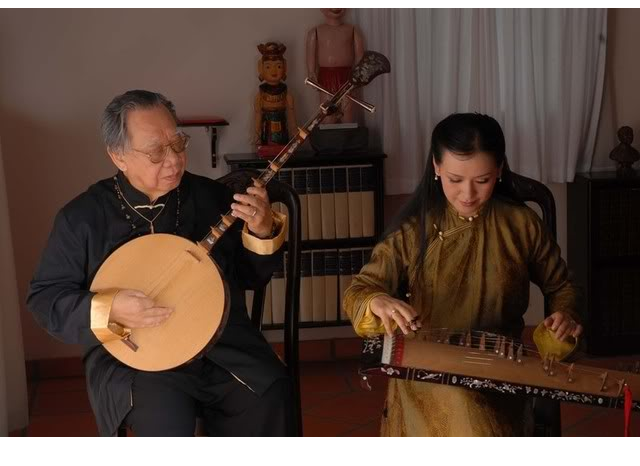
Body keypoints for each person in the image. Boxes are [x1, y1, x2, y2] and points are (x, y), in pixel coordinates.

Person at [27, 90, 291, 436]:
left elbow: (248, 277)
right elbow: (45, 300)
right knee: (163, 420)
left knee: (270, 394)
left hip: (221, 343)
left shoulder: (213, 199)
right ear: (118, 156)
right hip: (134, 358)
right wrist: (110, 307)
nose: (174, 159)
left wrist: (260, 230)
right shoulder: (83, 218)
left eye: (178, 143)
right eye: (155, 151)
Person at [343, 113, 583, 436]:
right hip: (427, 372)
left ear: (499, 169)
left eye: (482, 180)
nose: (468, 194)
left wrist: (563, 315)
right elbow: (360, 291)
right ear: (436, 167)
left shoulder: (521, 225)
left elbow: (562, 286)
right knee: (462, 407)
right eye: (455, 180)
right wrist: (377, 302)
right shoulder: (414, 231)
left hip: (500, 372)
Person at [306, 8, 364, 124]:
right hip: (326, 78)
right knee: (327, 115)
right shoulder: (316, 31)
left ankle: (347, 138)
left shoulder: (352, 30)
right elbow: (310, 55)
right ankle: (328, 139)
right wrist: (311, 73)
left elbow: (360, 56)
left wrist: (358, 74)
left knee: (347, 112)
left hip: (347, 77)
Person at [254, 42, 296, 154]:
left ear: (285, 67)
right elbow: (258, 114)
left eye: (278, 66)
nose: (273, 71)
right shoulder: (260, 94)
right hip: (266, 128)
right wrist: (256, 135)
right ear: (261, 68)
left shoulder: (287, 93)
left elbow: (291, 114)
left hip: (283, 127)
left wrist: (294, 133)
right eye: (268, 67)